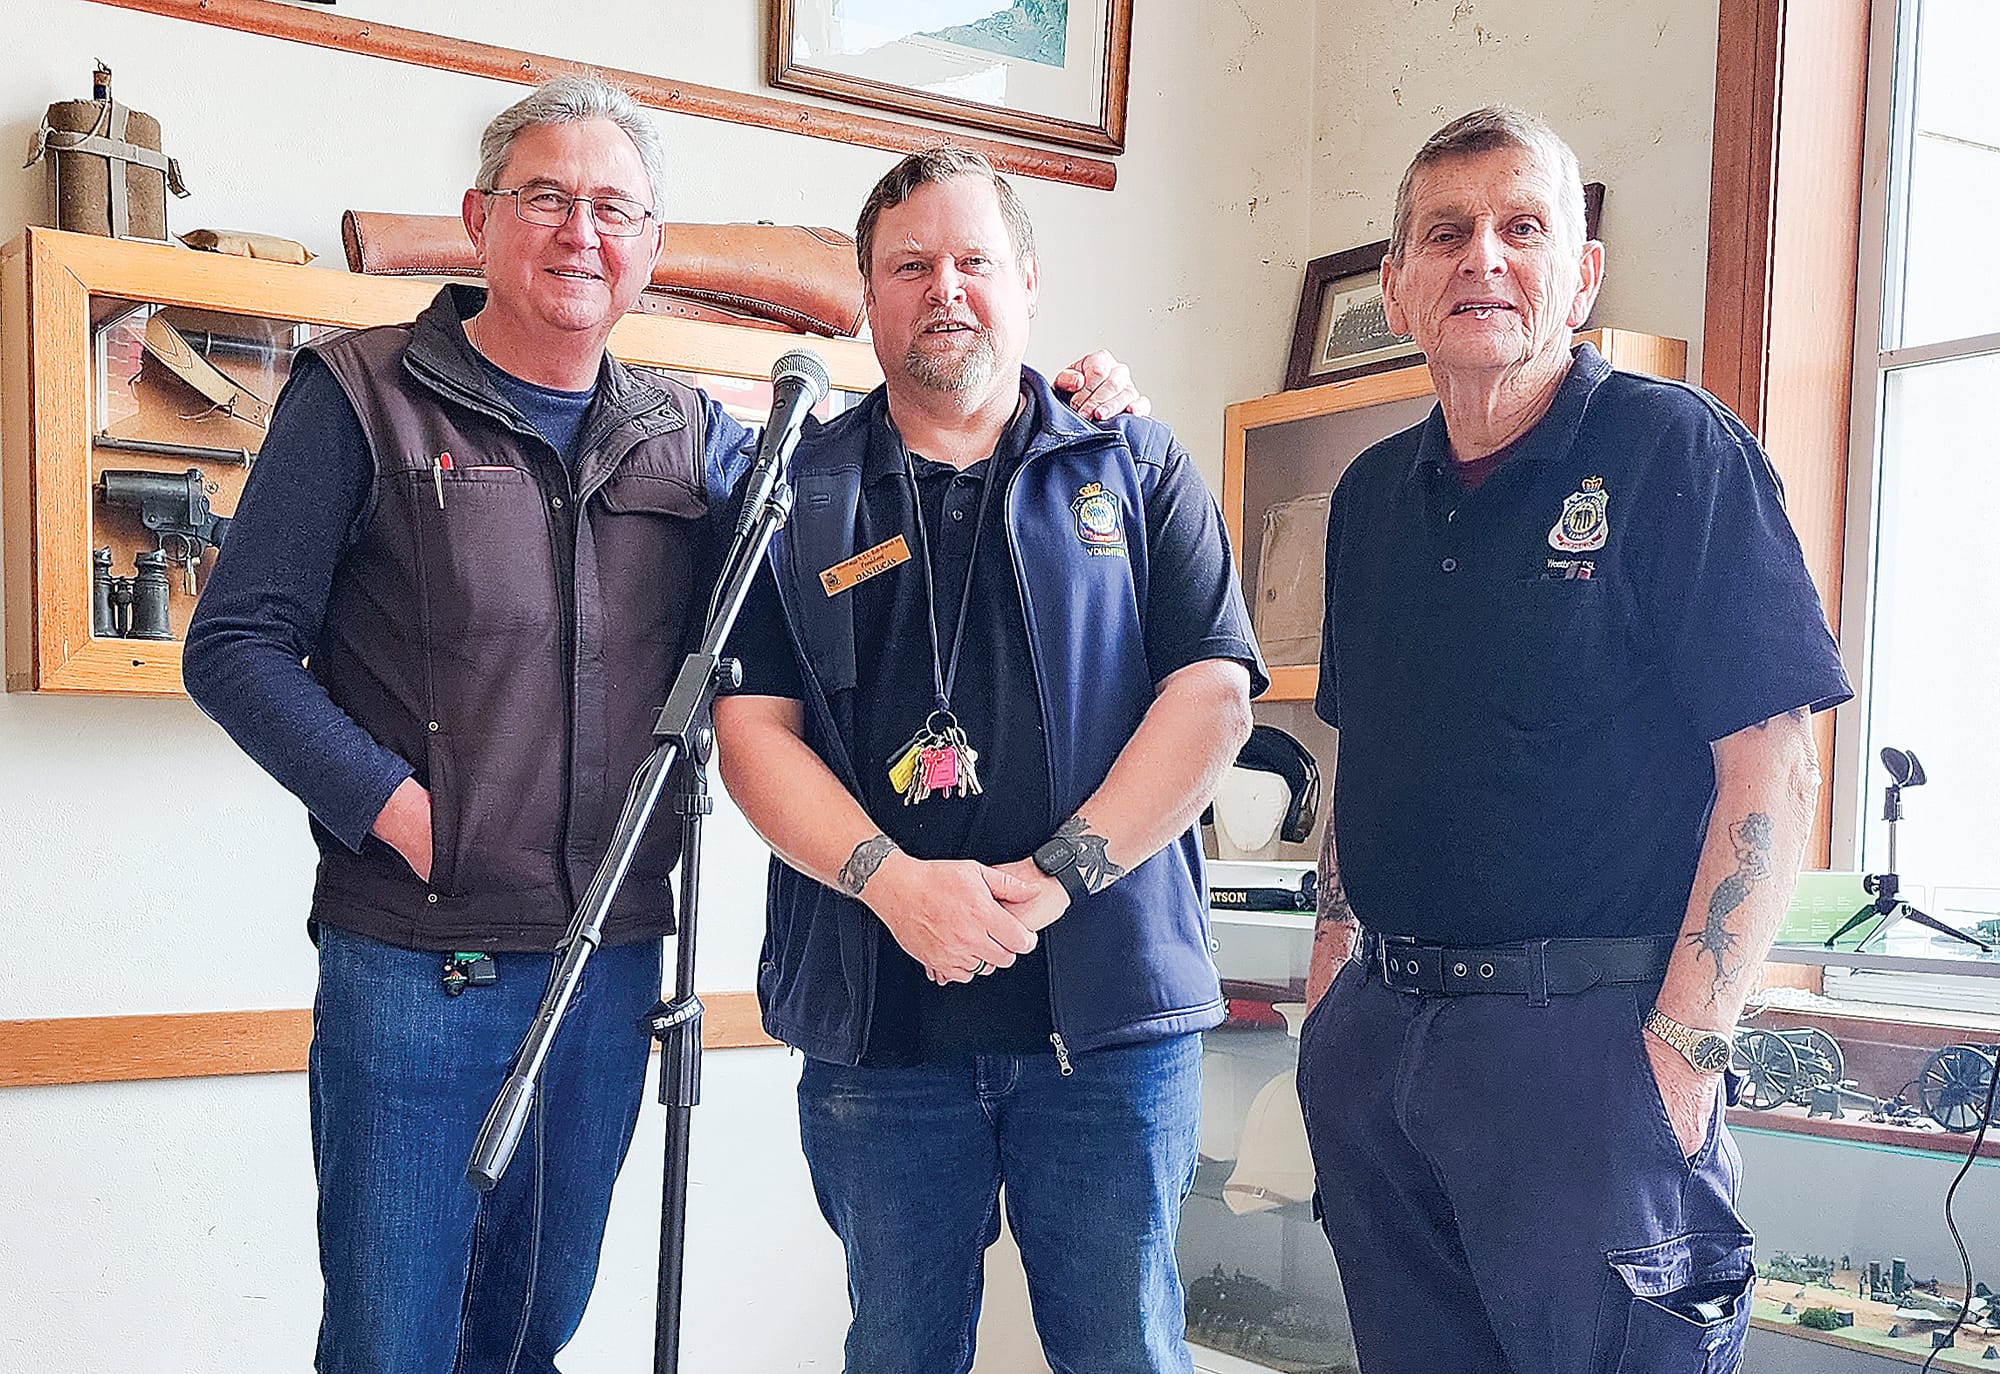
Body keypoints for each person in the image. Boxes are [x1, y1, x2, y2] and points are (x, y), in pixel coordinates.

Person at [182, 77, 1141, 1374]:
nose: (583, 232)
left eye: (616, 209)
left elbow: (875, 499)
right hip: (418, 964)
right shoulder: (363, 395)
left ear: (648, 247)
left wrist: (1060, 407)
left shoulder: (688, 433)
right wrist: (403, 812)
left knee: (536, 1330)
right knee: (390, 1340)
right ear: (479, 219)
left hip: (611, 960)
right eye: (547, 199)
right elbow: (234, 644)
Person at [1294, 106, 1852, 1374]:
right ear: (1395, 284)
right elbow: (1359, 753)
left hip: (1590, 1053)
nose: (1480, 258)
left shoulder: (1672, 451)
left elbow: (1773, 761)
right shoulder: (1372, 495)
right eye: (1444, 233)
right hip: (1385, 1048)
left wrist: (1684, 1055)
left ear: (1581, 274)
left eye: (1520, 227)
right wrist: (1332, 993)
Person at [712, 146, 1265, 1374]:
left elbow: (1213, 697)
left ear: (1026, 279)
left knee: (1123, 1349)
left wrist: (1064, 872)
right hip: (879, 1031)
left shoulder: (1134, 463)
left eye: (973, 260)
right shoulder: (790, 491)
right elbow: (752, 733)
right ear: (866, 298)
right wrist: (890, 882)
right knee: (896, 1350)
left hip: (1110, 1030)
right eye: (909, 265)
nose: (943, 288)